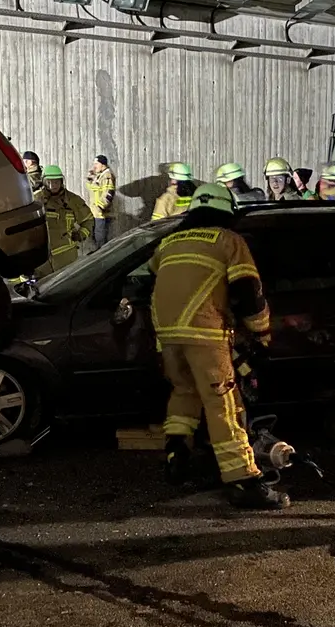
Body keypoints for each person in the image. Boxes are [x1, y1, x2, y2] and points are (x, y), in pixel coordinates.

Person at [149, 182, 289, 510]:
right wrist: (261, 335)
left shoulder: (168, 243)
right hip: (206, 336)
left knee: (184, 393)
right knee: (223, 404)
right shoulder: (228, 241)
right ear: (228, 213)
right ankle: (243, 481)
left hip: (167, 337)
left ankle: (176, 455)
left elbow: (151, 279)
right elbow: (247, 293)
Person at [33, 164, 94, 279]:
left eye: (56, 182)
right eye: (49, 182)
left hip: (67, 257)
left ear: (61, 181)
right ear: (44, 182)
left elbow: (88, 219)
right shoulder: (35, 199)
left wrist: (81, 234)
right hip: (42, 260)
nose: (53, 185)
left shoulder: (73, 200)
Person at [85, 155, 116, 247]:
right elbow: (92, 189)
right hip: (95, 212)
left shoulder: (107, 175)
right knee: (96, 236)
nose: (94, 166)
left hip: (101, 214)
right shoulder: (100, 175)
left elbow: (109, 194)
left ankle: (101, 256)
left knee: (100, 238)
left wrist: (100, 207)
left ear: (103, 165)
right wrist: (90, 178)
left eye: (96, 164)